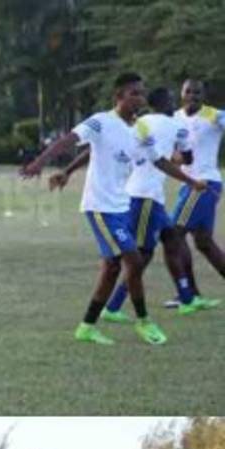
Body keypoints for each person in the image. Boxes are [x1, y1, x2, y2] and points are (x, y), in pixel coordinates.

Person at [21, 72, 176, 346]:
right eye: (133, 93)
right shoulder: (100, 121)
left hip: (122, 205)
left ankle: (87, 326)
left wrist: (192, 181)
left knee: (113, 267)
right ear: (119, 97)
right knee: (134, 259)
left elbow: (158, 161)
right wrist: (40, 162)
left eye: (141, 93)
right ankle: (143, 321)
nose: (139, 98)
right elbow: (68, 140)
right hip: (100, 206)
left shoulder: (139, 129)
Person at [52, 86, 211, 320]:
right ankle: (114, 307)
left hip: (143, 194)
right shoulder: (175, 126)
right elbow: (185, 158)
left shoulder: (138, 122)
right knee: (141, 254)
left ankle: (187, 297)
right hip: (144, 194)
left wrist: (68, 170)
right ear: (167, 104)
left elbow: (97, 149)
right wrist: (187, 173)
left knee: (171, 238)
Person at [170, 78, 225, 301]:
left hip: (205, 183)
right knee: (204, 242)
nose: (193, 96)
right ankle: (192, 293)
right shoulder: (175, 118)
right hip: (188, 183)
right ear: (181, 93)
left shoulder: (215, 115)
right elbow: (172, 151)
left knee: (174, 234)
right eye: (189, 91)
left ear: (204, 95)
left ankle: (189, 293)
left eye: (198, 93)